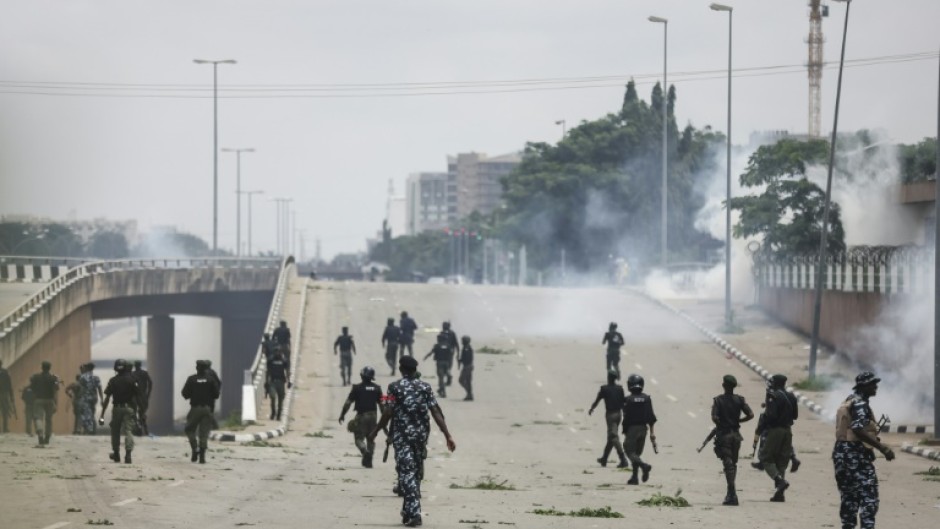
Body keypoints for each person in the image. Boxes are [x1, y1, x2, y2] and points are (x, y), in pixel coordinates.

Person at [368, 356, 456, 527]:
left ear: (401, 369)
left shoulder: (394, 387)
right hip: (420, 438)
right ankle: (407, 510)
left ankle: (415, 514)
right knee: (413, 474)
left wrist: (376, 431)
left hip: (403, 438)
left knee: (407, 473)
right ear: (415, 370)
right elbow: (436, 412)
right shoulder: (425, 387)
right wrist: (447, 435)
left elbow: (388, 412)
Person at [833, 371, 895, 529]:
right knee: (869, 497)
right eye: (872, 384)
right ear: (863, 386)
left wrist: (868, 448)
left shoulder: (849, 400)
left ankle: (848, 525)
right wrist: (882, 448)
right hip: (854, 455)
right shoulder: (860, 404)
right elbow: (858, 428)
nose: (875, 387)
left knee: (849, 496)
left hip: (842, 453)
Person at [710, 375, 755, 506]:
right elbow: (751, 414)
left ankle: (732, 493)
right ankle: (731, 493)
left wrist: (721, 423)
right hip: (736, 436)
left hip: (724, 435)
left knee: (728, 464)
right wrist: (738, 421)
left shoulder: (718, 400)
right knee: (732, 464)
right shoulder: (739, 400)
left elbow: (714, 417)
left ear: (724, 385)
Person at [760, 373, 799, 502]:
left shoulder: (773, 396)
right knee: (782, 461)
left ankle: (779, 480)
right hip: (788, 430)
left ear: (775, 383)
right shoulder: (791, 396)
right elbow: (795, 416)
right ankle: (779, 493)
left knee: (765, 458)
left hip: (775, 430)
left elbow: (771, 416)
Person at [338, 366, 383, 467]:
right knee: (371, 439)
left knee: (358, 439)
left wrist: (342, 414)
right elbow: (382, 405)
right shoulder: (377, 388)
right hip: (373, 416)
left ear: (361, 376)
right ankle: (369, 459)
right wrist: (384, 422)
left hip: (361, 416)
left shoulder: (356, 388)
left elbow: (348, 403)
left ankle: (365, 451)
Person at [99, 359, 141, 464]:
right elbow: (138, 397)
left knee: (115, 431)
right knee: (128, 431)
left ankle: (116, 454)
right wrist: (139, 413)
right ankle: (128, 455)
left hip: (117, 409)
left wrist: (102, 415)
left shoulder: (113, 381)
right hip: (129, 409)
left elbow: (107, 398)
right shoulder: (133, 380)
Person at [182, 360, 220, 464]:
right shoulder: (211, 379)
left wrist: (194, 393)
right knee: (204, 433)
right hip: (207, 409)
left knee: (189, 429)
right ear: (206, 369)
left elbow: (185, 394)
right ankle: (202, 457)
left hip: (195, 408)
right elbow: (216, 394)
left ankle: (195, 448)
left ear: (197, 368)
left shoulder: (191, 379)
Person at [589, 369, 628, 469]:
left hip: (610, 415)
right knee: (611, 437)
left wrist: (592, 408)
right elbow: (623, 403)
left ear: (608, 378)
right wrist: (625, 414)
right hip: (619, 414)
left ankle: (623, 459)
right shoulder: (620, 389)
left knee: (613, 436)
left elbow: (597, 400)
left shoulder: (604, 389)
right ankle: (604, 458)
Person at [622, 373, 656, 485]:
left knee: (629, 451)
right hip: (643, 429)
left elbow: (626, 417)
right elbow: (651, 417)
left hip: (632, 429)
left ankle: (644, 466)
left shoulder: (627, 399)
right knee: (637, 454)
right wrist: (652, 433)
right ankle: (634, 477)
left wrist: (625, 430)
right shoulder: (647, 398)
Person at [29, 361, 59, 446]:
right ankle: (47, 437)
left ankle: (40, 434)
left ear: (42, 367)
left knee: (38, 417)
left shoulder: (36, 377)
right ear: (50, 368)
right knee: (49, 419)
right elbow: (55, 391)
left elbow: (32, 388)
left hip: (38, 400)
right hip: (50, 400)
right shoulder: (54, 378)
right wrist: (56, 403)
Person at [266, 347, 291, 421]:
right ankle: (273, 412)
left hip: (281, 382)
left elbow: (287, 371)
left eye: (279, 351)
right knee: (273, 396)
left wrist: (289, 381)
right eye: (276, 351)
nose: (277, 353)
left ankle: (279, 415)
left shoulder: (283, 361)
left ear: (280, 352)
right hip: (273, 382)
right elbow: (268, 371)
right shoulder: (271, 360)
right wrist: (266, 382)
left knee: (281, 399)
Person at [423, 334, 452, 398]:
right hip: (446, 363)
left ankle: (443, 391)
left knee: (441, 377)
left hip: (439, 363)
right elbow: (450, 355)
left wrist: (426, 357)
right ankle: (441, 389)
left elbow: (431, 352)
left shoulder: (437, 345)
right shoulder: (448, 345)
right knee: (443, 376)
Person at [79, 362, 103, 435]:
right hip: (94, 398)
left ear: (86, 368)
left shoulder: (82, 377)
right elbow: (99, 389)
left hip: (85, 397)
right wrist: (102, 399)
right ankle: (92, 429)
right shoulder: (96, 378)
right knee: (92, 413)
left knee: (86, 414)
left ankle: (89, 429)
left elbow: (80, 388)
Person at [131, 361, 152, 435]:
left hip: (135, 396)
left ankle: (139, 428)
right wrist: (148, 394)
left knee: (136, 413)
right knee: (142, 413)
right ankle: (144, 429)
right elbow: (150, 383)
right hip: (143, 396)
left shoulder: (132, 374)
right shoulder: (144, 373)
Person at [439, 321, 459, 386]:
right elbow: (456, 344)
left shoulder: (444, 333)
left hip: (446, 353)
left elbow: (456, 343)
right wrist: (458, 353)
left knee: (445, 367)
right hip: (449, 353)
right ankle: (448, 378)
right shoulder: (451, 333)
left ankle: (448, 378)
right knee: (448, 366)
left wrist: (458, 353)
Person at [0, 360, 16, 433]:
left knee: (5, 411)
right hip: (4, 393)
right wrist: (11, 395)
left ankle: (4, 428)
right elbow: (9, 384)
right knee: (5, 411)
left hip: (4, 393)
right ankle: (5, 428)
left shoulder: (5, 372)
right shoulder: (5, 372)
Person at [457, 335, 474, 401]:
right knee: (468, 381)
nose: (462, 342)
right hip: (469, 366)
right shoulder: (466, 347)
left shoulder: (466, 348)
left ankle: (469, 393)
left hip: (467, 366)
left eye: (463, 341)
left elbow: (467, 359)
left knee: (461, 380)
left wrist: (460, 360)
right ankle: (469, 395)